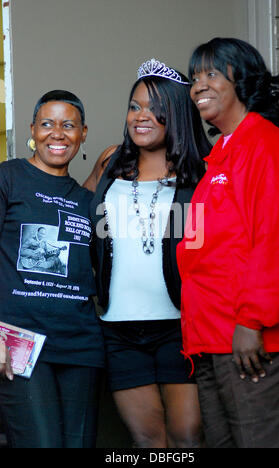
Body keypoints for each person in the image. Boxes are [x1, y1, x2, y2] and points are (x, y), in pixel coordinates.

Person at [177, 37, 279, 448]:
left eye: (212, 74)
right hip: (214, 341)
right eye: (195, 78)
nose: (198, 86)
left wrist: (252, 321)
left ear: (242, 81)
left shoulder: (268, 146)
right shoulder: (222, 155)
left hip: (252, 340)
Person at [84, 58, 212, 448]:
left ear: (176, 116)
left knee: (188, 437)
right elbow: (80, 221)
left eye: (156, 110)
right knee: (147, 440)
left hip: (180, 326)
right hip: (119, 329)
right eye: (135, 106)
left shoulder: (201, 175)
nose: (141, 117)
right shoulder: (110, 166)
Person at [0, 90, 105, 448]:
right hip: (20, 342)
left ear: (83, 134)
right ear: (32, 129)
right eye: (47, 124)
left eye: (68, 125)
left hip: (81, 347)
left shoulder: (87, 201)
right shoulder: (8, 177)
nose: (57, 133)